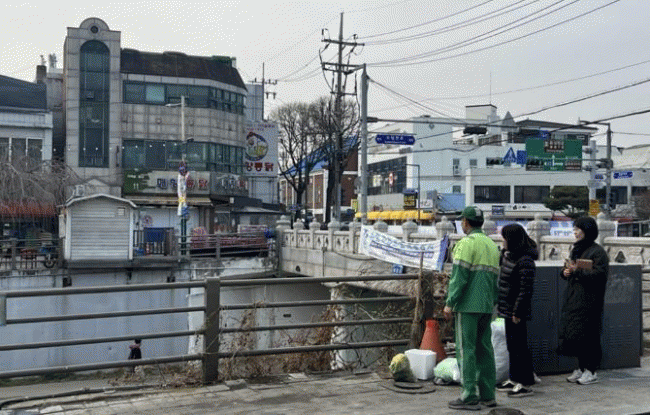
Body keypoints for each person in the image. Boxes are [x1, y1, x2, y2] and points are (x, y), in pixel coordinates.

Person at [444, 206, 501, 411]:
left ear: (465, 222)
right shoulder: (492, 245)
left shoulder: (465, 244)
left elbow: (459, 278)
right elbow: (495, 280)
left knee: (465, 350)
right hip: (486, 305)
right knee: (485, 349)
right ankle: (488, 395)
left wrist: (450, 302)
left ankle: (468, 395)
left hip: (468, 305)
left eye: (462, 221)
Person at [558, 216, 609, 385]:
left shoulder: (598, 252)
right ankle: (580, 368)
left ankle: (591, 370)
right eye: (574, 229)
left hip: (590, 301)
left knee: (590, 336)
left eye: (578, 229)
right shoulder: (577, 249)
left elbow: (600, 275)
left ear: (587, 231)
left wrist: (577, 271)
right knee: (576, 335)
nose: (575, 232)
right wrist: (565, 272)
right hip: (574, 298)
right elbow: (569, 268)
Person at [495, 224, 538, 397]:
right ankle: (513, 378)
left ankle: (524, 382)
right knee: (512, 346)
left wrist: (517, 312)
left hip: (516, 310)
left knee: (520, 346)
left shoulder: (525, 260)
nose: (502, 242)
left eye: (505, 238)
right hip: (507, 307)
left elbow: (525, 289)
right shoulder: (509, 255)